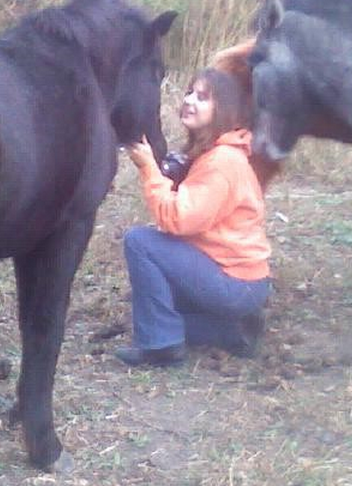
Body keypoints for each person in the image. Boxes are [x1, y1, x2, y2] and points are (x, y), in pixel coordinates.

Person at [115, 67, 272, 367]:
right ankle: (231, 331)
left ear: (222, 109)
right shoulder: (215, 154)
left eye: (202, 97)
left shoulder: (222, 162)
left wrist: (149, 169)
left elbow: (177, 220)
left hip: (235, 282)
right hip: (243, 281)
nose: (189, 100)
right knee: (155, 303)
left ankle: (162, 346)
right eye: (189, 93)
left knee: (141, 242)